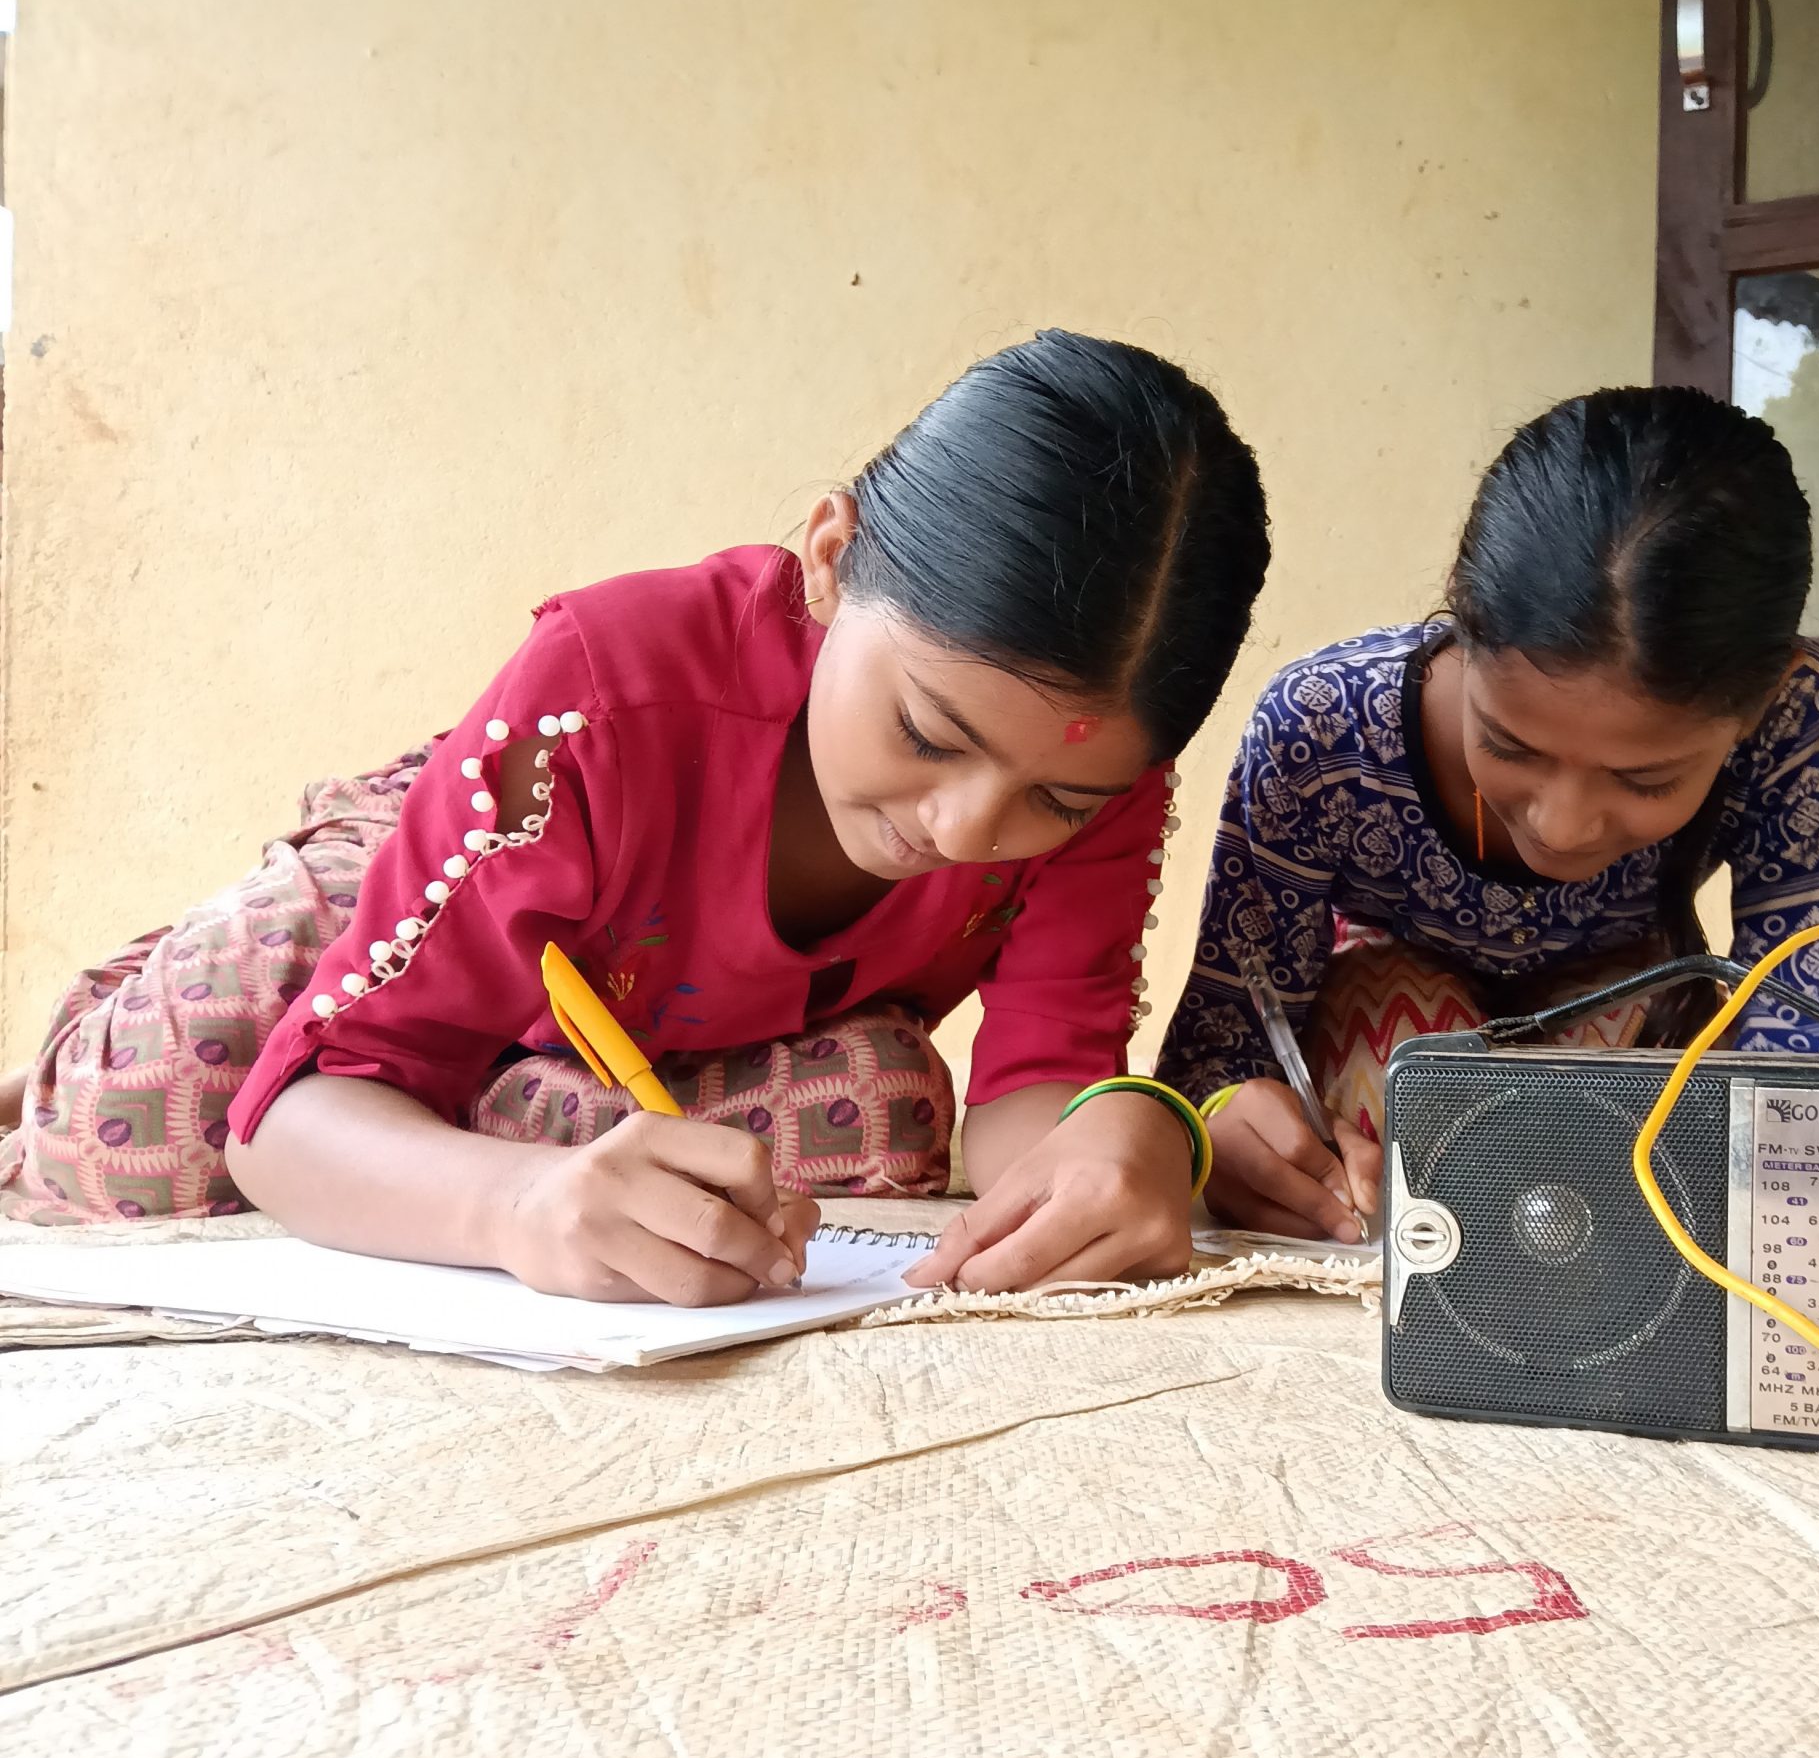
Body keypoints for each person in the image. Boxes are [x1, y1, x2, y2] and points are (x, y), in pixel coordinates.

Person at [1, 331, 1270, 1304]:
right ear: (831, 557)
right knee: (142, 1144)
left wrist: (1128, 1137)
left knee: (881, 1114)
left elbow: (1032, 1090)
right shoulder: (603, 691)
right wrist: (513, 1211)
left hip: (647, 1039)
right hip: (421, 902)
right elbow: (289, 1121)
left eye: (1056, 801)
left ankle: (473, 1127)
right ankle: (59, 1078)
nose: (966, 828)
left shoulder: (1095, 765)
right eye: (929, 735)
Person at [1155, 386, 1819, 1244]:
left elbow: (1812, 1027)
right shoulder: (1321, 727)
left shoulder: (1795, 718)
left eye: (1645, 780)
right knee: (1416, 1071)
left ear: (1760, 704)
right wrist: (1230, 1121)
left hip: (1633, 999)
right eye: (1511, 745)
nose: (1563, 827)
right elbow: (1218, 1049)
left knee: (1700, 1136)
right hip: (1385, 1034)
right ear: (1460, 623)